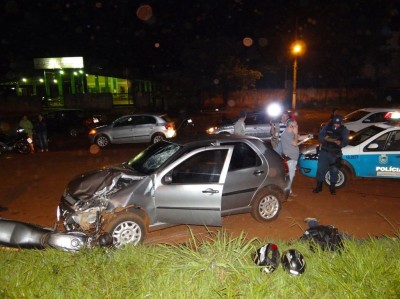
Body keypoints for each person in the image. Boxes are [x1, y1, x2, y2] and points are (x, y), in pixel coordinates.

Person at [313, 115, 349, 195]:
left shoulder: (344, 130)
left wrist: (340, 143)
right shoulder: (327, 127)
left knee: (334, 170)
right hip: (324, 152)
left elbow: (346, 141)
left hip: (335, 154)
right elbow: (320, 136)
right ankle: (319, 187)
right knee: (321, 169)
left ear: (341, 123)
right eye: (335, 123)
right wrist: (325, 140)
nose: (336, 125)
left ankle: (332, 187)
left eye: (338, 123)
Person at [280, 118, 300, 198]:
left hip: (292, 158)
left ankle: (289, 192)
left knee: (290, 177)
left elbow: (299, 137)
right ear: (291, 126)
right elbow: (295, 143)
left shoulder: (290, 132)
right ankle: (286, 194)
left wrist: (308, 136)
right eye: (295, 125)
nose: (297, 126)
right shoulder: (285, 135)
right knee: (289, 177)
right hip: (290, 159)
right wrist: (296, 133)